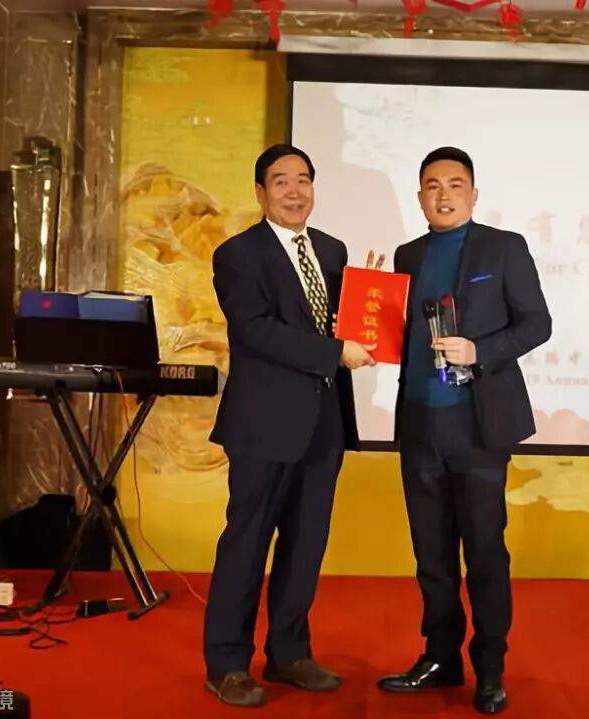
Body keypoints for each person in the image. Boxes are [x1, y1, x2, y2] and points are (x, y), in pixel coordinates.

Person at [377, 147, 551, 714]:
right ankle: (440, 657)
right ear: (419, 196)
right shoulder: (407, 255)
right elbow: (394, 334)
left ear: (473, 195)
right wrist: (365, 308)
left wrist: (481, 350)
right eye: (432, 186)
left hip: (477, 426)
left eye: (455, 184)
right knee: (430, 555)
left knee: (484, 552)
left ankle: (490, 668)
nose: (444, 195)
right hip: (419, 424)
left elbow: (537, 323)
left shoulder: (503, 248)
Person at [204, 144, 376, 708]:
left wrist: (372, 306)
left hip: (324, 422)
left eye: (303, 179)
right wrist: (335, 352)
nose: (294, 191)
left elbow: (340, 322)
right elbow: (255, 330)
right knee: (247, 544)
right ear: (261, 192)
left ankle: (289, 653)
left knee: (305, 545)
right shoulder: (238, 255)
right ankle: (227, 664)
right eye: (281, 181)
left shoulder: (332, 250)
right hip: (263, 425)